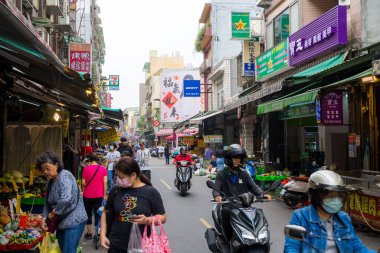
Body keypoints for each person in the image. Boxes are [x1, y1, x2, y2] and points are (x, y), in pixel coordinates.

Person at [284, 170, 376, 253]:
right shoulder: (300, 216)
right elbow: (291, 247)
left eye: (338, 196)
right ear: (315, 195)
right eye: (331, 196)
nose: (335, 200)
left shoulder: (344, 218)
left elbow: (358, 248)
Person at [99, 157, 167, 252]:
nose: (118, 180)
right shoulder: (116, 190)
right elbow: (105, 212)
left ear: (133, 175)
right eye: (117, 176)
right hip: (116, 245)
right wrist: (102, 235)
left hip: (142, 246)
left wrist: (147, 220)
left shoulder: (151, 192)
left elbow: (163, 217)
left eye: (121, 177)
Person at [212, 144, 271, 240]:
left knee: (256, 213)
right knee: (226, 212)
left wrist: (262, 194)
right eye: (234, 158)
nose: (237, 160)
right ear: (228, 159)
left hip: (244, 205)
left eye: (239, 158)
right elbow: (216, 189)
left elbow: (254, 187)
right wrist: (217, 196)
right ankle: (228, 239)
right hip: (228, 205)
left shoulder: (244, 173)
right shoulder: (221, 174)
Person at [37, 151, 87, 253]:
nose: (45, 171)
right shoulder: (50, 182)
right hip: (61, 222)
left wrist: (53, 213)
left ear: (56, 164)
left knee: (68, 251)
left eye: (47, 168)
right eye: (43, 169)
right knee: (62, 249)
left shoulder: (65, 175)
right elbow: (47, 203)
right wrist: (44, 218)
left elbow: (65, 198)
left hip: (74, 221)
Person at [82, 153, 108, 240]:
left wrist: (82, 190)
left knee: (88, 213)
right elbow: (105, 183)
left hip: (87, 196)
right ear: (96, 160)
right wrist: (105, 195)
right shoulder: (103, 169)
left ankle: (89, 233)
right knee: (97, 214)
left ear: (89, 160)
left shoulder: (85, 169)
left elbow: (83, 183)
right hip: (99, 196)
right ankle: (96, 234)